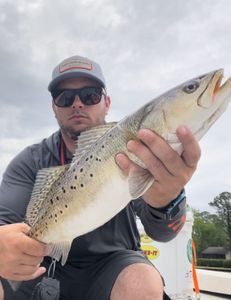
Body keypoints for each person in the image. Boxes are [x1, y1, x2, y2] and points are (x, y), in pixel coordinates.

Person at [0, 55, 201, 300]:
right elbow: (5, 222)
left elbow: (162, 233)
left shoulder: (134, 147)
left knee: (142, 281)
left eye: (90, 95)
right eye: (64, 97)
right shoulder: (30, 161)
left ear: (106, 102)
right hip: (45, 266)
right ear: (53, 107)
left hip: (114, 264)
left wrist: (168, 201)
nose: (77, 104)